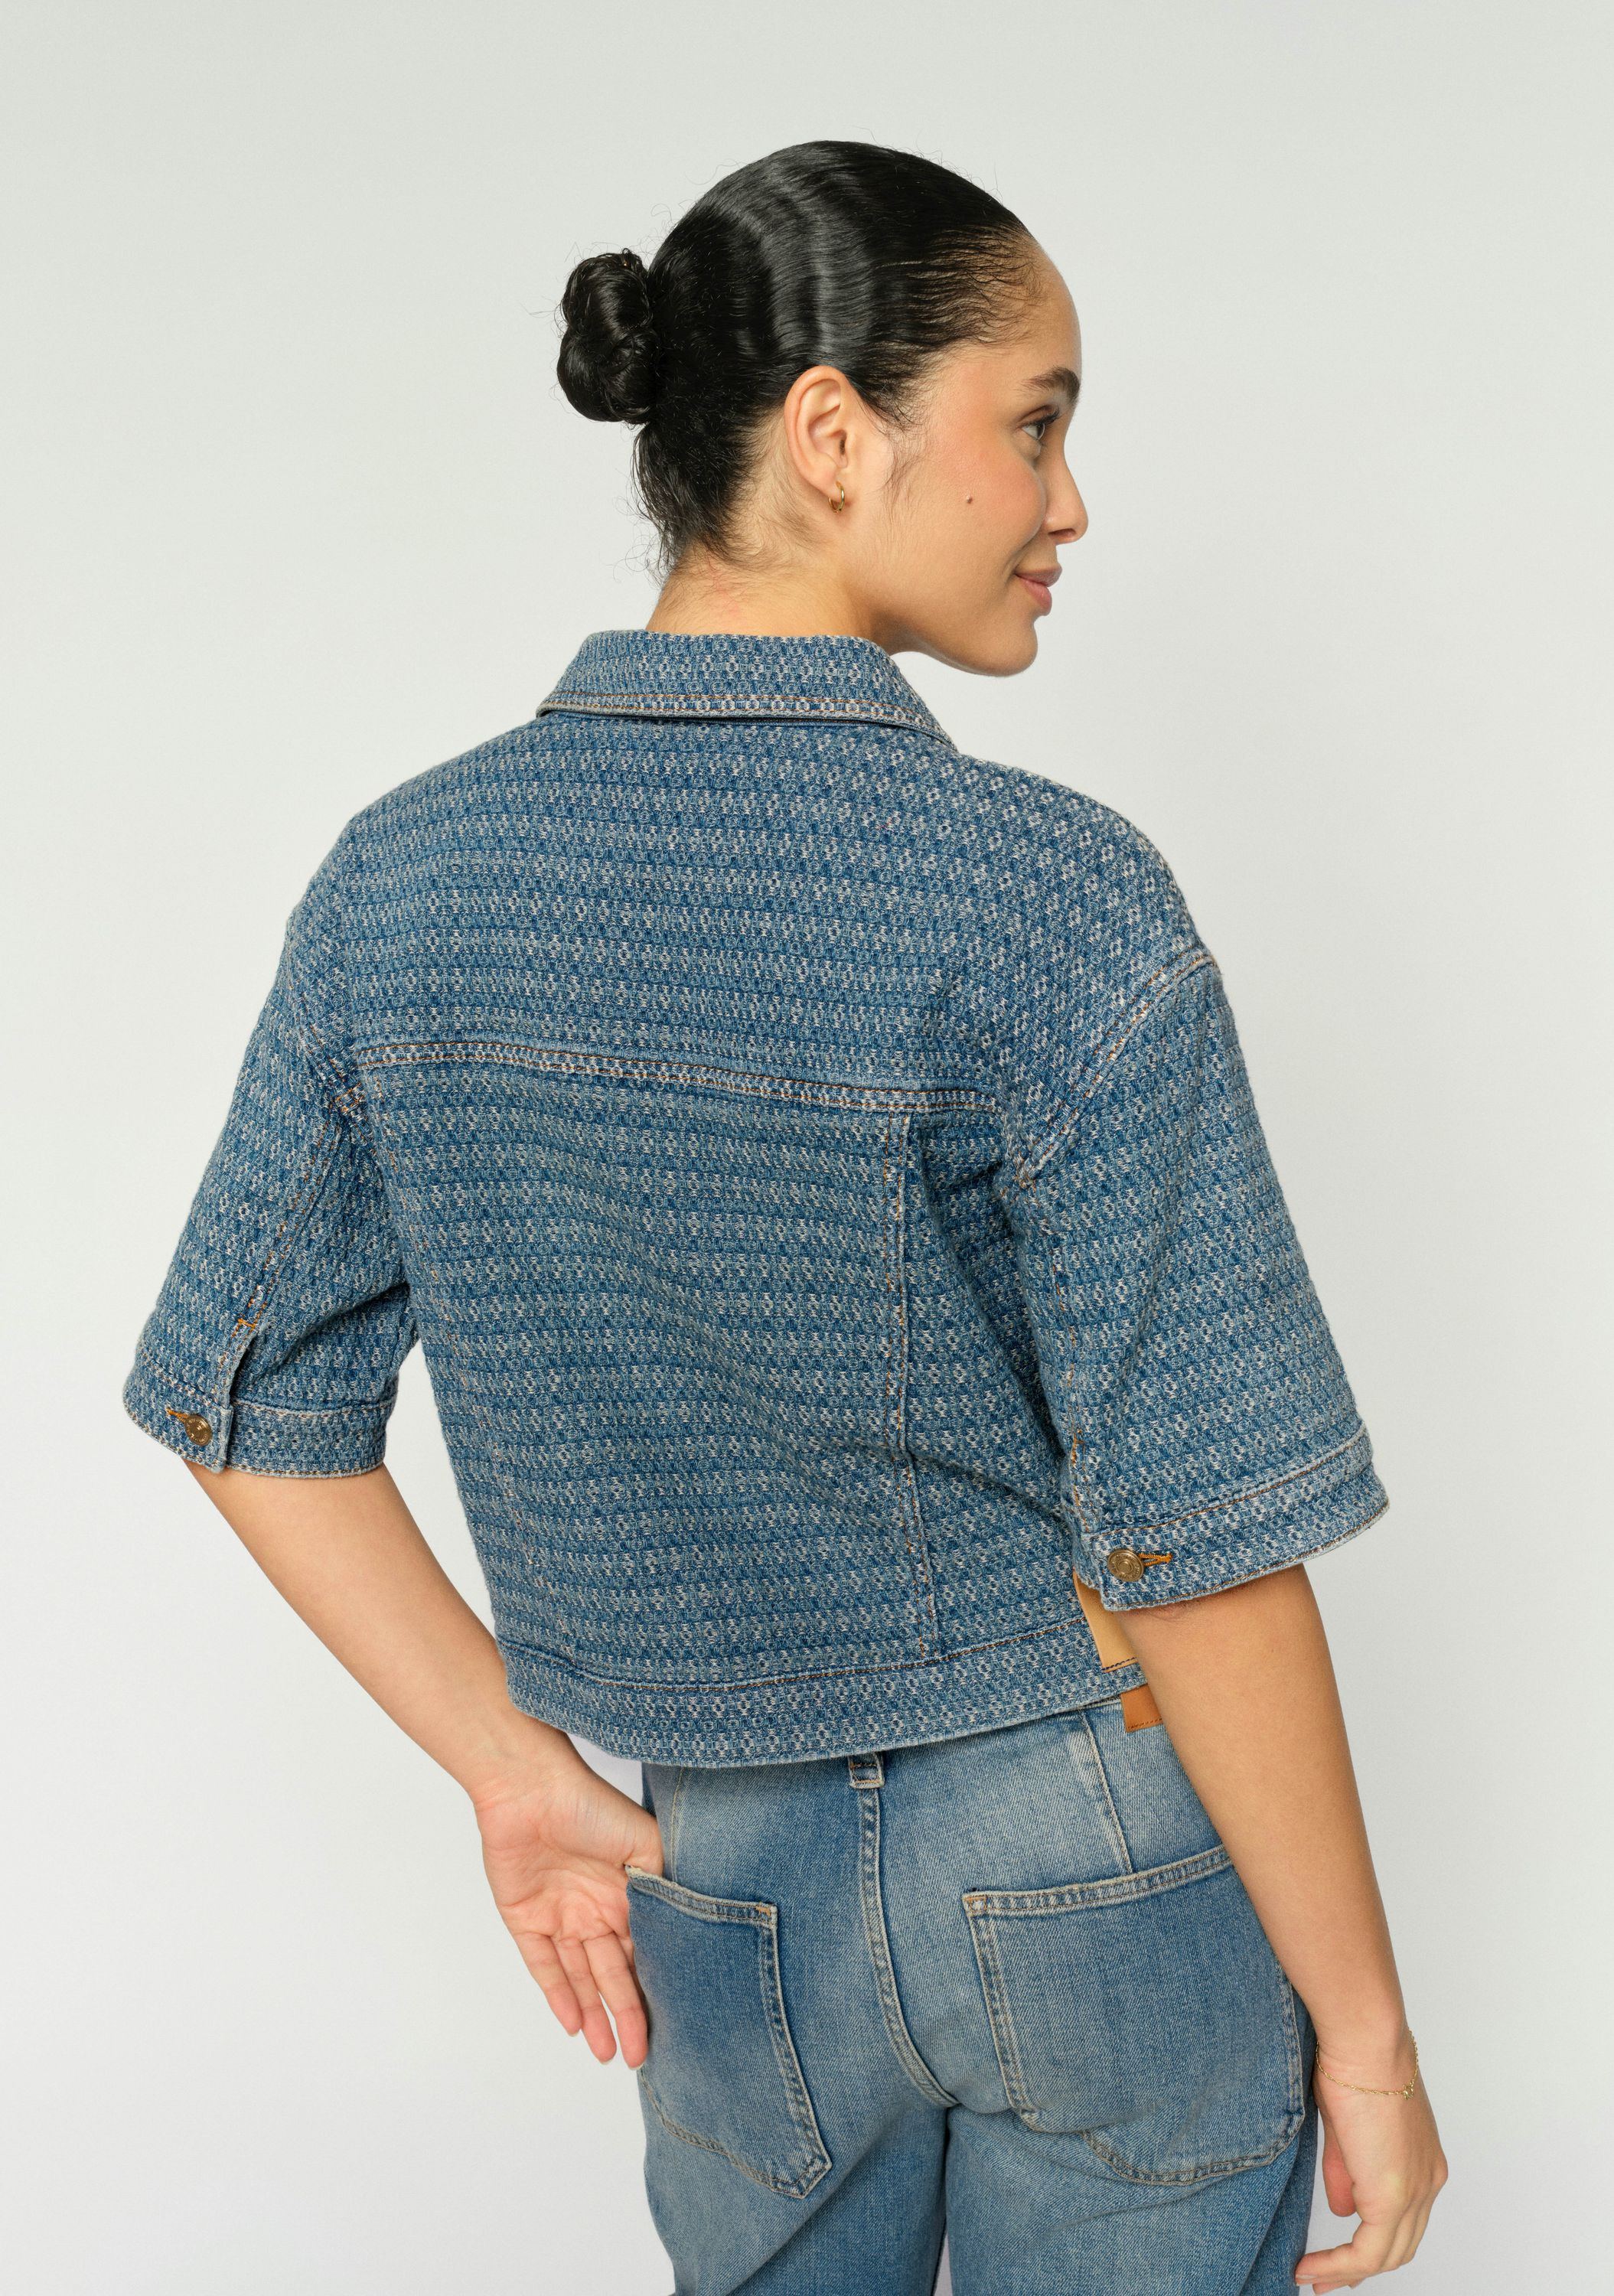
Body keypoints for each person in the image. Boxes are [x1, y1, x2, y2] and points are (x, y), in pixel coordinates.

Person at [122, 141, 1446, 2294]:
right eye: (1037, 423)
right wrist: (1366, 2034)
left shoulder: (405, 881)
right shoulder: (1051, 896)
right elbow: (1203, 1541)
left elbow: (242, 1397)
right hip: (1086, 1845)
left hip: (716, 1880)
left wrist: (510, 1771)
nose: (1069, 504)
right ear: (835, 433)